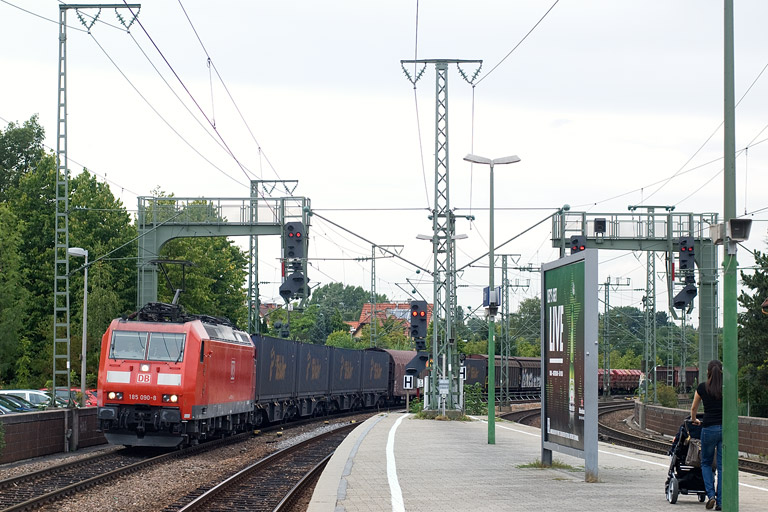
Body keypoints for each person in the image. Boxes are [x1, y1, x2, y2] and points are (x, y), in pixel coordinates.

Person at [690, 360, 723, 511]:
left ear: (708, 372)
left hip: (708, 428)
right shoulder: (725, 387)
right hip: (724, 430)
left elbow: (694, 407)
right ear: (721, 371)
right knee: (722, 467)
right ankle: (721, 501)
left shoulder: (703, 387)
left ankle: (711, 496)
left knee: (706, 463)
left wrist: (694, 419)